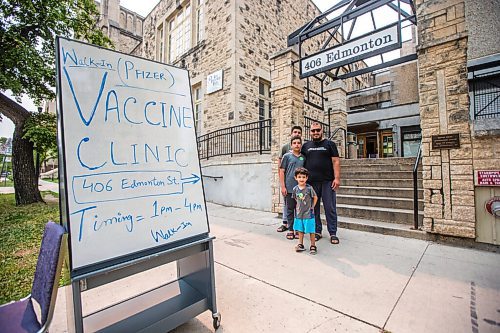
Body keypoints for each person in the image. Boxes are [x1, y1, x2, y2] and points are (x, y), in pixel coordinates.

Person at [301, 122, 341, 245]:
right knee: (314, 209)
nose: (315, 132)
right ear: (310, 132)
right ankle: (317, 231)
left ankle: (333, 232)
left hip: (328, 182)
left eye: (318, 130)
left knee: (330, 208)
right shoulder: (306, 146)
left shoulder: (330, 144)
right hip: (312, 183)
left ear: (322, 130)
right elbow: (301, 161)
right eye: (313, 130)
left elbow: (336, 162)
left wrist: (337, 178)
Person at [276, 125, 303, 233]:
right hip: (287, 182)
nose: (297, 134)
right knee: (287, 204)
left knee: (296, 205)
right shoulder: (285, 148)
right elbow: (280, 165)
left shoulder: (302, 149)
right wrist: (282, 183)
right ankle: (285, 223)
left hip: (299, 184)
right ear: (291, 133)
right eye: (295, 132)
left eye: (299, 132)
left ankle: (295, 226)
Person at [292, 167, 318, 254]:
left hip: (309, 213)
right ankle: (300, 244)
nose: (301, 179)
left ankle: (313, 245)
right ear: (296, 178)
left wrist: (312, 206)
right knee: (300, 229)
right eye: (299, 177)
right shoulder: (295, 189)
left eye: (303, 177)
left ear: (306, 178)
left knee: (311, 230)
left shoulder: (309, 188)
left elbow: (315, 197)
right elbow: (295, 198)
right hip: (299, 213)